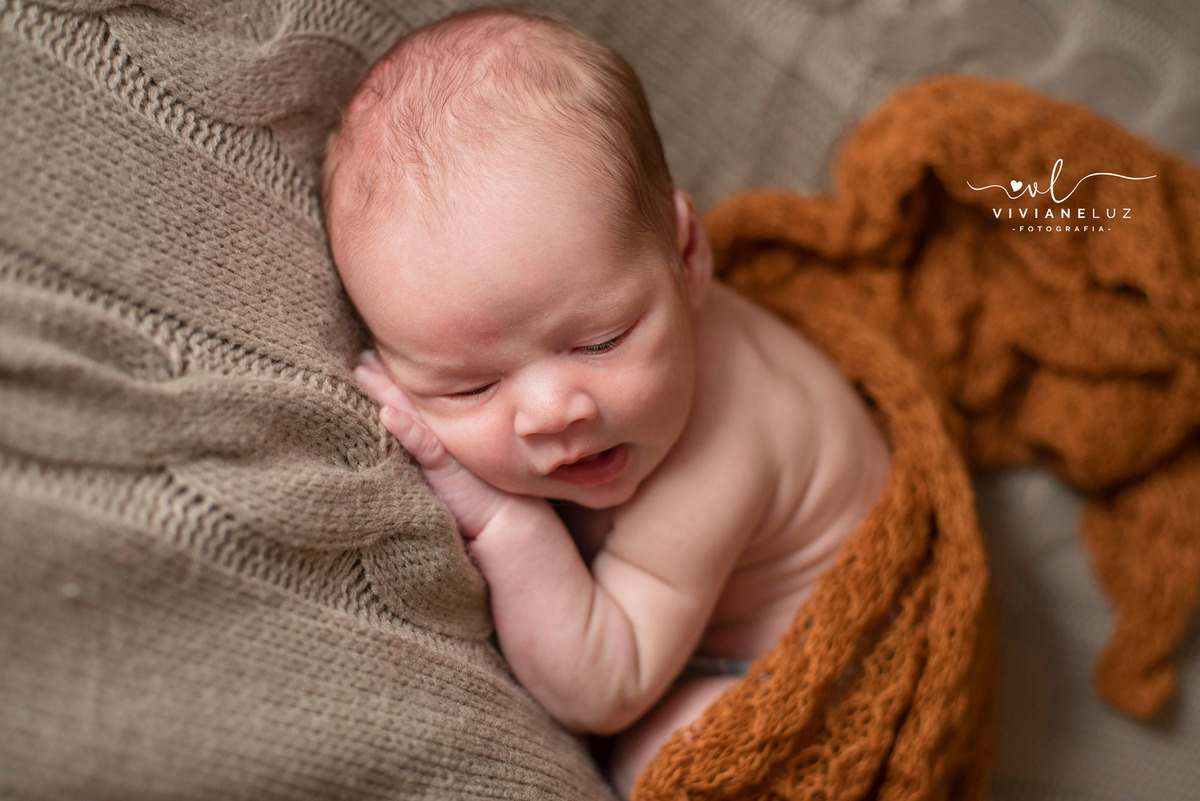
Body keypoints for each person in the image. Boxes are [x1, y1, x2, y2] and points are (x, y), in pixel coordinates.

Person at [321, 7, 889, 795]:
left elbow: (602, 685)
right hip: (695, 615)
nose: (555, 410)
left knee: (669, 756)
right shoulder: (629, 357)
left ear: (689, 257)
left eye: (600, 341)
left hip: (819, 670)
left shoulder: (716, 458)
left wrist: (503, 522)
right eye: (471, 385)